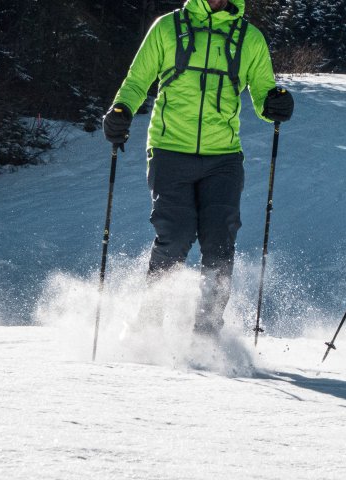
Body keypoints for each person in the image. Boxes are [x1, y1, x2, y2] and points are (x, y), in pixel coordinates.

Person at [101, 0, 294, 337]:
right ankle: (148, 325)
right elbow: (137, 82)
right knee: (174, 236)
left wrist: (275, 102)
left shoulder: (249, 38)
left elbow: (263, 92)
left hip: (224, 157)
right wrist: (121, 110)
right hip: (169, 149)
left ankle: (206, 335)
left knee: (220, 241)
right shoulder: (167, 28)